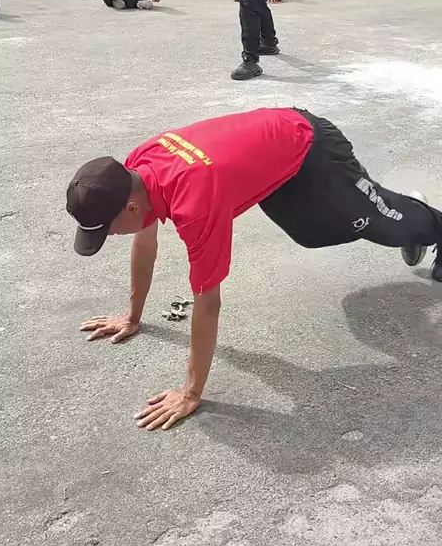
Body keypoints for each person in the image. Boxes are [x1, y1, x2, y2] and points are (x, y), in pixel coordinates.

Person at [67, 106, 442, 431]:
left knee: (371, 222)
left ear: (130, 208)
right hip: (281, 151)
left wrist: (190, 393)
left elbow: (208, 303)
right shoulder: (134, 172)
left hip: (313, 146)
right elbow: (145, 243)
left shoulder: (194, 202)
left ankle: (413, 217)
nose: (111, 236)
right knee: (310, 233)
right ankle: (400, 216)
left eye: (108, 230)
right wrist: (131, 317)